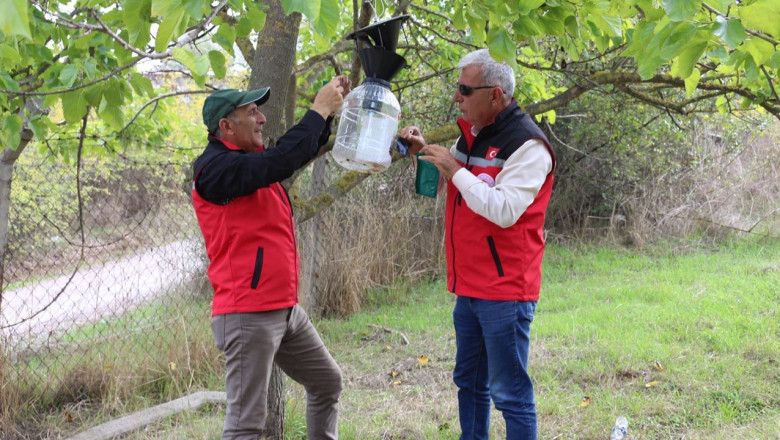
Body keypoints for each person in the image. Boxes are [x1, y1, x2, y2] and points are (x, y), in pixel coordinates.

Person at [400, 49, 556, 440]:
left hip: (505, 290)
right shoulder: (470, 135)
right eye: (459, 89)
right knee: (469, 383)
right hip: (468, 285)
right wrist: (425, 152)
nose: (457, 97)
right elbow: (456, 184)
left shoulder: (529, 146)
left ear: (496, 95)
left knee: (509, 393)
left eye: (465, 90)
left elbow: (503, 210)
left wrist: (456, 170)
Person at [191, 76, 350, 440]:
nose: (261, 119)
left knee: (327, 382)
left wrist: (327, 115)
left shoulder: (252, 160)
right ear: (226, 126)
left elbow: (292, 154)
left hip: (284, 309)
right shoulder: (214, 170)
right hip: (248, 313)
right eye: (252, 112)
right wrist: (318, 109)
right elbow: (281, 160)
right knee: (247, 423)